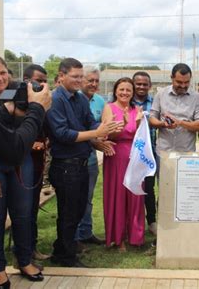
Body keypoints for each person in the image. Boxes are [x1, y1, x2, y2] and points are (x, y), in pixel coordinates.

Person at [0, 55, 51, 286]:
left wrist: (23, 106)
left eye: (3, 73)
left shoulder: (13, 90)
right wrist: (11, 112)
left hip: (20, 160)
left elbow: (25, 116)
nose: (0, 78)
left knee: (23, 213)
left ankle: (24, 260)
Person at [46, 58, 121, 267]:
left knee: (78, 210)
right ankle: (66, 257)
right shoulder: (56, 99)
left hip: (81, 164)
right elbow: (62, 134)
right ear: (61, 76)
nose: (79, 81)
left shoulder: (79, 99)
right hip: (65, 166)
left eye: (81, 77)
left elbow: (90, 121)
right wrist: (96, 133)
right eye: (75, 77)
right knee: (69, 214)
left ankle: (61, 249)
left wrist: (107, 126)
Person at [102, 77, 144, 251]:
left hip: (135, 158)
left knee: (135, 196)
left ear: (133, 92)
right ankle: (119, 239)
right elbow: (106, 136)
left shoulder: (137, 109)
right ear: (115, 90)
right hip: (116, 157)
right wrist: (124, 125)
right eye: (122, 89)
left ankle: (135, 236)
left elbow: (141, 137)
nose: (125, 93)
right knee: (118, 197)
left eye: (128, 90)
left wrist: (140, 122)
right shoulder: (109, 108)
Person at [74, 66, 108, 245]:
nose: (93, 84)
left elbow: (100, 127)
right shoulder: (73, 99)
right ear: (81, 81)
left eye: (96, 81)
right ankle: (74, 237)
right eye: (90, 80)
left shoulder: (100, 102)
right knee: (74, 200)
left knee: (88, 198)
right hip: (73, 159)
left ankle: (86, 233)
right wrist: (94, 138)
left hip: (92, 159)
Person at [22, 64, 51, 262]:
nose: (42, 84)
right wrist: (31, 143)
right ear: (26, 81)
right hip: (21, 165)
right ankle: (23, 252)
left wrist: (46, 141)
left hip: (38, 164)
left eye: (44, 81)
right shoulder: (17, 103)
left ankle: (31, 247)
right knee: (22, 210)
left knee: (32, 208)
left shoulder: (43, 104)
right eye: (38, 80)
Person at [149, 63, 199, 155]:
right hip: (163, 153)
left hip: (186, 154)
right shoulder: (161, 94)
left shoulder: (197, 98)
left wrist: (180, 122)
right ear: (171, 78)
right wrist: (163, 124)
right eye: (179, 82)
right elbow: (152, 119)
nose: (183, 86)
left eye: (186, 82)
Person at [132, 71, 157, 236]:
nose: (141, 87)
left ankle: (152, 221)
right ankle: (132, 221)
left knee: (148, 187)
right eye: (138, 84)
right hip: (131, 152)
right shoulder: (125, 100)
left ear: (150, 86)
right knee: (132, 187)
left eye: (144, 84)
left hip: (149, 152)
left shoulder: (154, 103)